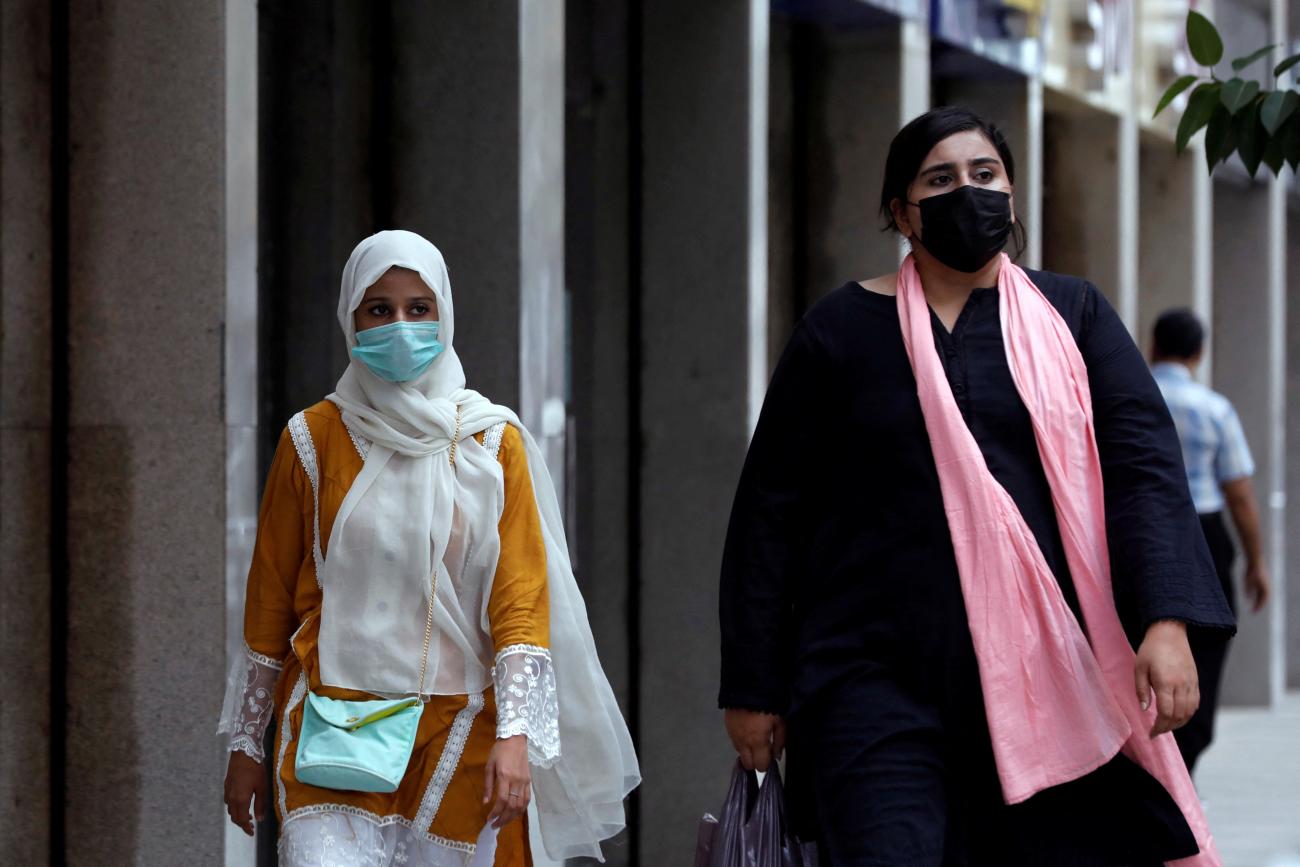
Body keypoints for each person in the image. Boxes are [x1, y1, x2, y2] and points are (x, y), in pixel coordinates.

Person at [718, 107, 1236, 866]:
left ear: (1013, 194)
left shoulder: (1075, 315)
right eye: (941, 179)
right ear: (902, 211)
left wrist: (1167, 620)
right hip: (872, 677)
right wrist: (753, 681)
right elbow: (771, 513)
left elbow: (1144, 469)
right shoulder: (840, 331)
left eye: (984, 175)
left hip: (1051, 680)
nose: (969, 192)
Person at [218, 230, 639, 866]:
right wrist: (247, 744)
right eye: (378, 310)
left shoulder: (492, 445)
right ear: (350, 319)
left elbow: (518, 599)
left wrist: (517, 737)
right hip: (333, 736)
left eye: (419, 308)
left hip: (460, 737)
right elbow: (271, 598)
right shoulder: (312, 439)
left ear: (444, 312)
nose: (400, 326)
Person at [1151, 308, 1271, 774]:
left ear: (1153, 346)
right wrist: (1256, 561)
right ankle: (1185, 759)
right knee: (1207, 646)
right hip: (1205, 535)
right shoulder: (1215, 409)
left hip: (1144, 534)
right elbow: (1239, 493)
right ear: (1199, 353)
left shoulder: (1130, 397)